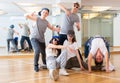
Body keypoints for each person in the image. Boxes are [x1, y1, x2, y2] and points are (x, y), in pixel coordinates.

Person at [25, 8, 60, 72]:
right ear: (41, 12)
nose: (45, 13)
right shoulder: (37, 18)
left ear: (47, 14)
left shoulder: (46, 22)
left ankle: (44, 63)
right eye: (43, 12)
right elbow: (26, 16)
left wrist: (56, 29)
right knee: (37, 50)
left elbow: (51, 28)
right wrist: (31, 13)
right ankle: (35, 65)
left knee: (43, 53)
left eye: (46, 13)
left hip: (41, 39)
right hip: (34, 38)